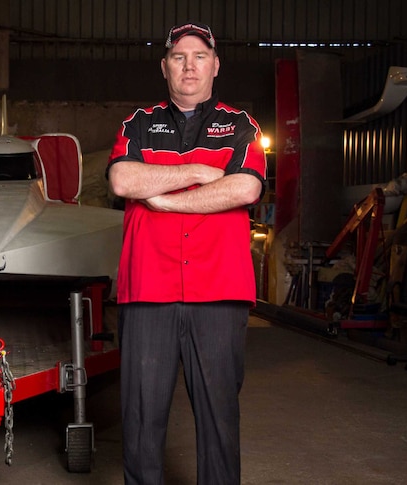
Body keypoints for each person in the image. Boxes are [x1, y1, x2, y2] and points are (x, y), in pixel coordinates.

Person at [106, 22, 267, 485]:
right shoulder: (137, 124)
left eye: (200, 56)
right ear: (165, 67)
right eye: (179, 57)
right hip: (148, 289)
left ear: (215, 65)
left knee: (219, 420)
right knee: (140, 421)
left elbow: (247, 187)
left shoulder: (240, 126)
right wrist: (198, 169)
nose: (189, 65)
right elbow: (122, 181)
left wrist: (164, 197)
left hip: (218, 291)